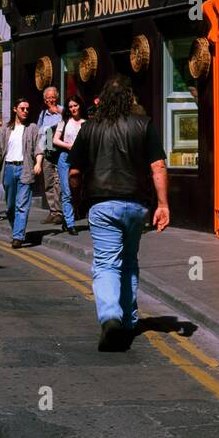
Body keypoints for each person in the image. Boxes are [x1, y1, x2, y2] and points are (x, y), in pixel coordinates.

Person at [68, 76, 169, 352]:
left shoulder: (89, 129)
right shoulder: (143, 125)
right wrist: (163, 205)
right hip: (136, 205)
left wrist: (76, 198)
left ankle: (111, 317)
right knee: (129, 262)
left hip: (101, 205)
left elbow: (74, 172)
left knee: (106, 263)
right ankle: (129, 320)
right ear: (129, 99)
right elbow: (157, 167)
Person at [7, 99, 42, 249]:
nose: (25, 111)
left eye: (27, 109)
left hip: (25, 168)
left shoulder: (32, 127)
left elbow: (39, 148)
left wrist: (38, 163)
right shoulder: (7, 129)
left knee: (22, 205)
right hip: (8, 168)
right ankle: (17, 230)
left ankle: (18, 237)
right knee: (11, 206)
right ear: (15, 109)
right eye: (22, 108)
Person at [51, 95, 85, 235]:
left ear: (80, 106)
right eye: (70, 106)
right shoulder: (64, 122)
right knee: (66, 192)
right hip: (65, 158)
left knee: (77, 191)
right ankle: (70, 224)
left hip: (80, 159)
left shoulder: (86, 123)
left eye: (75, 105)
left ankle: (67, 218)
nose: (73, 109)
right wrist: (68, 146)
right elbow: (55, 140)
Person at [36, 86, 64, 223]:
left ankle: (60, 212)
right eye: (48, 98)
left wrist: (58, 111)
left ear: (57, 97)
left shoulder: (63, 111)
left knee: (59, 183)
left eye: (53, 97)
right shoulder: (42, 115)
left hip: (60, 152)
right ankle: (53, 211)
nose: (51, 100)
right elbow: (38, 133)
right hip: (47, 151)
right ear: (45, 100)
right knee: (48, 183)